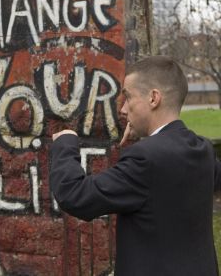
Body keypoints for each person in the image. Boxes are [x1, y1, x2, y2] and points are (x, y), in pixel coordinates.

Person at [50, 56, 221, 275]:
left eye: (128, 97)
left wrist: (65, 143)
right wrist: (149, 139)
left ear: (153, 98)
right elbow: (168, 177)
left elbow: (75, 195)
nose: (122, 109)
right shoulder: (202, 149)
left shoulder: (145, 158)